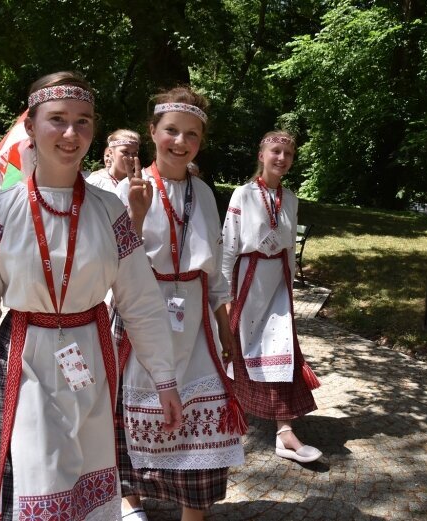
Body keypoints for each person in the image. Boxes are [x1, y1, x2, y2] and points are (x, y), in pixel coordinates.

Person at [0, 71, 183, 521]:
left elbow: (139, 300)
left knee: (92, 481)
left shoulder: (110, 211)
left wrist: (164, 377)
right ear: (30, 126)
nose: (70, 133)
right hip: (28, 359)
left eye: (83, 121)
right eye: (57, 119)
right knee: (39, 480)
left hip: (94, 356)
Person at [115, 87, 246, 521]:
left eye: (192, 133)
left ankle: (194, 510)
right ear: (152, 132)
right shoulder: (127, 189)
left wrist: (227, 333)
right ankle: (131, 501)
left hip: (194, 322)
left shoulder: (205, 194)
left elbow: (216, 275)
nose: (180, 141)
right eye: (171, 130)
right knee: (130, 410)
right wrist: (134, 215)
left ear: (201, 141)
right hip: (141, 313)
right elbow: (111, 265)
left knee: (197, 417)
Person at [221, 130, 323, 464]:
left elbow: (290, 246)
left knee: (282, 351)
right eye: (276, 151)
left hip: (277, 283)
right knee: (236, 349)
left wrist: (290, 286)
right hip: (248, 282)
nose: (282, 158)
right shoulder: (243, 195)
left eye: (288, 154)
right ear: (262, 154)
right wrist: (225, 294)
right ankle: (224, 412)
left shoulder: (291, 198)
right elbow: (230, 245)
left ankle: (284, 432)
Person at [86, 129, 140, 194]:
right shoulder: (94, 183)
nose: (131, 158)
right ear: (111, 153)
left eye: (135, 153)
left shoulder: (140, 184)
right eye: (125, 152)